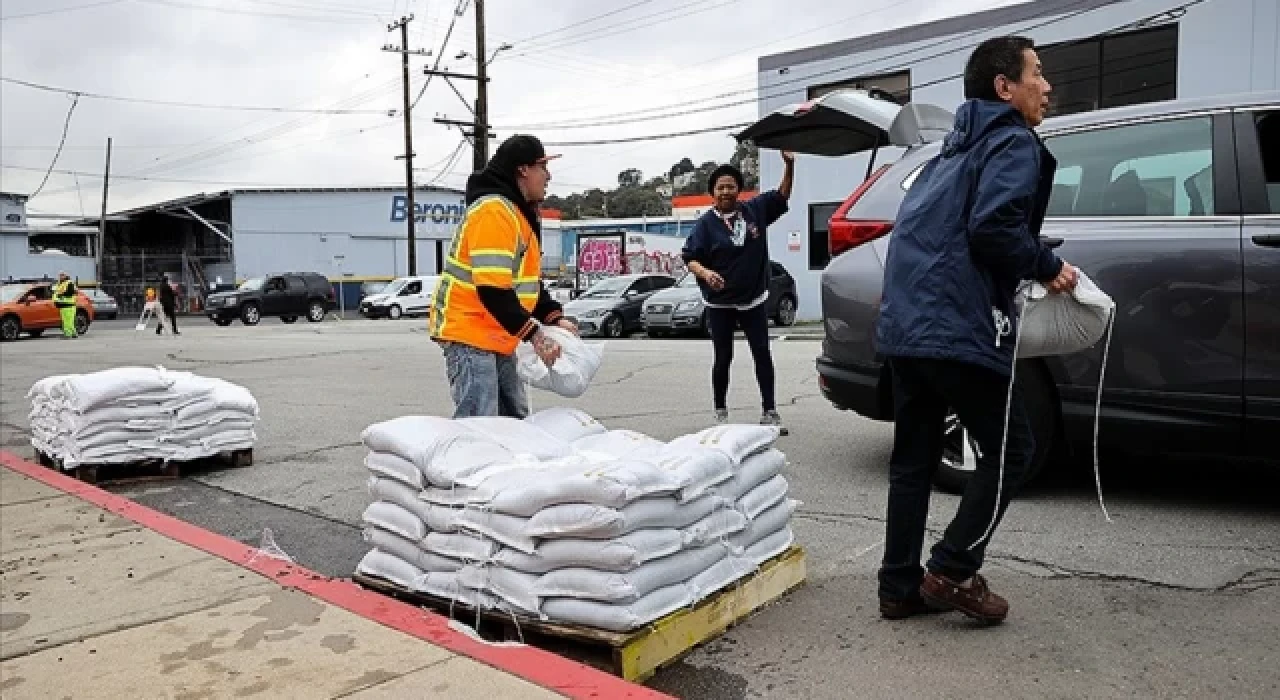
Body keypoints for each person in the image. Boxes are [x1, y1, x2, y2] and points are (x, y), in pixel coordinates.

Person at [873, 36, 1079, 624]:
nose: (1047, 85)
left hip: (907, 325)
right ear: (1004, 87)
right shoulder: (1012, 141)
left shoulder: (948, 152)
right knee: (1014, 450)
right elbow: (994, 229)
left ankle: (898, 587)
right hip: (955, 323)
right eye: (1037, 73)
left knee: (912, 459)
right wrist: (1048, 265)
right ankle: (953, 569)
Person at [429, 134, 577, 419]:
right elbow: (493, 290)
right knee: (481, 424)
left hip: (497, 334)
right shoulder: (494, 212)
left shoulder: (517, 215)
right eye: (542, 167)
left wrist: (553, 317)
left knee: (514, 420)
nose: (548, 176)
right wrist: (536, 336)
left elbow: (526, 285)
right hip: (470, 333)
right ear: (523, 170)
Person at [680, 151, 794, 434]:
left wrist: (789, 165)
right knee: (723, 357)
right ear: (712, 193)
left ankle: (770, 411)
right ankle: (720, 411)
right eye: (720, 187)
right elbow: (690, 258)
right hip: (719, 304)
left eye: (730, 186)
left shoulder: (755, 210)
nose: (726, 191)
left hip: (753, 299)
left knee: (762, 354)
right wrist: (706, 273)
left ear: (738, 189)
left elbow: (782, 196)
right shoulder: (705, 225)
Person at [52, 271, 78, 339]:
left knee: (67, 321)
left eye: (62, 275)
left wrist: (60, 295)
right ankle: (74, 333)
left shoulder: (69, 283)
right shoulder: (60, 283)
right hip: (64, 305)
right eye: (60, 275)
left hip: (68, 305)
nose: (61, 277)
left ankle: (68, 335)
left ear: (66, 276)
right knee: (69, 321)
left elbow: (71, 292)